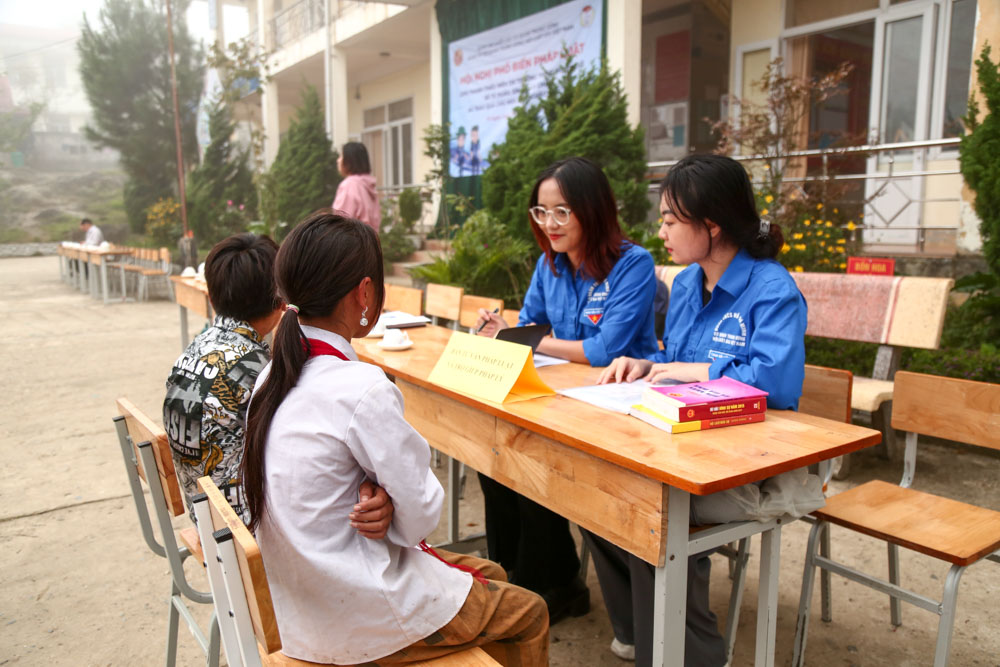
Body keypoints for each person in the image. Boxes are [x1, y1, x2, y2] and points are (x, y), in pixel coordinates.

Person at [241, 212, 549, 666]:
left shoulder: (272, 375)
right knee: (530, 612)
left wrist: (383, 497)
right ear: (364, 293)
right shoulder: (361, 388)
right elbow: (421, 518)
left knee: (495, 572)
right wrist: (392, 503)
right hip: (358, 611)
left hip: (306, 598)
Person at [591, 153, 810, 666]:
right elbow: (673, 363)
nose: (660, 231)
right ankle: (642, 633)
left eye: (670, 220)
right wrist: (643, 366)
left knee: (647, 513)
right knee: (594, 490)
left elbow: (776, 384)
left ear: (711, 226)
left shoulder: (773, 289)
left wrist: (700, 372)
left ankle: (693, 655)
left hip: (750, 467)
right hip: (686, 447)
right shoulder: (689, 282)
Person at [474, 156, 659, 624]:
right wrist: (503, 329)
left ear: (591, 210)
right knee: (494, 456)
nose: (549, 223)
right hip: (561, 395)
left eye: (562, 212)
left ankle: (555, 584)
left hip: (619, 405)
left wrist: (525, 336)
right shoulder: (549, 263)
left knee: (533, 460)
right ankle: (516, 572)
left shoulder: (632, 265)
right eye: (541, 211)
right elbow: (531, 325)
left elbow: (604, 349)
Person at [162, 233, 392, 534]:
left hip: (209, 522)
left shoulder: (194, 350)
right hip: (250, 537)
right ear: (282, 298)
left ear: (210, 296)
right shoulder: (261, 370)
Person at [333, 142, 381, 233]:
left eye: (341, 156)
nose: (338, 160)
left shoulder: (350, 185)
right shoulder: (368, 186)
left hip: (352, 244)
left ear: (349, 161)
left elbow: (340, 223)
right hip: (369, 243)